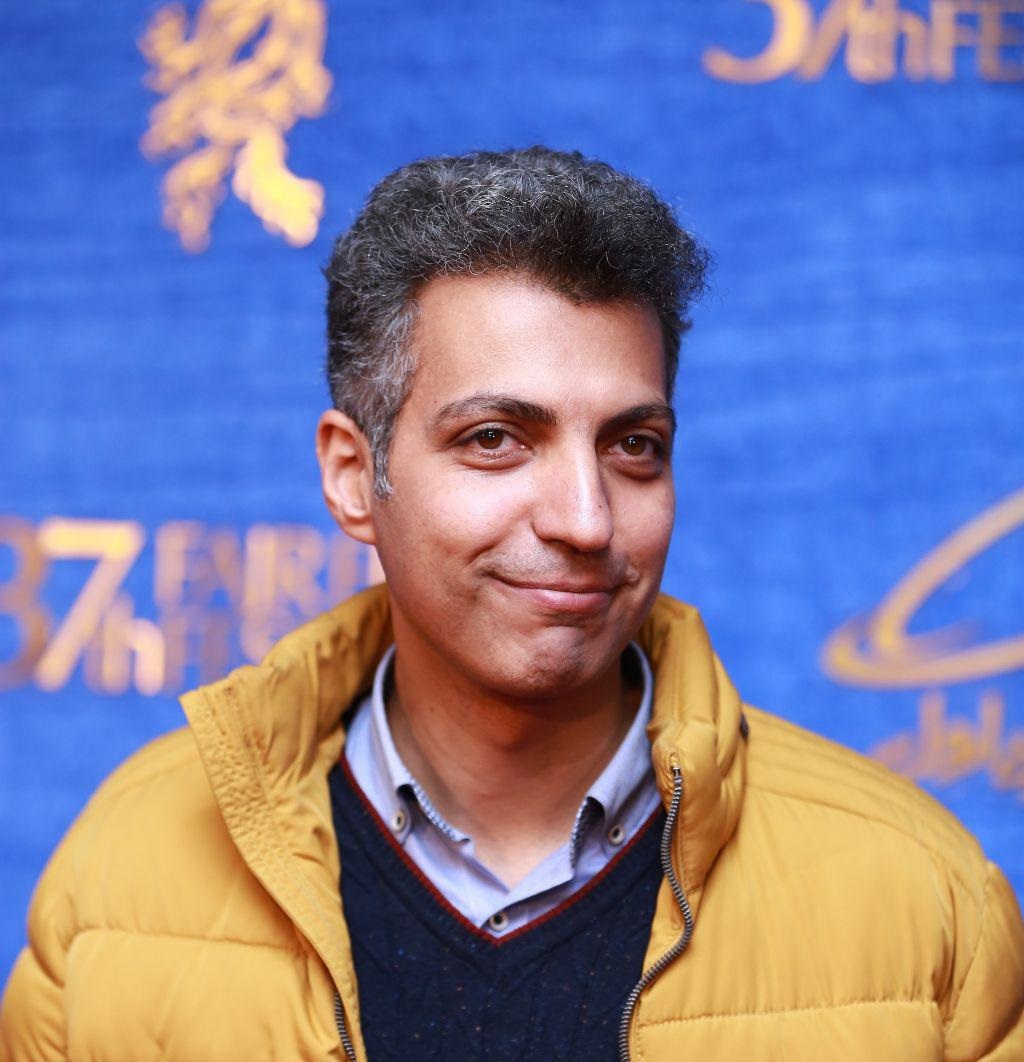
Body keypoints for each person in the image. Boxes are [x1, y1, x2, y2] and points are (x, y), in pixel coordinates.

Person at [2, 147, 1022, 1062]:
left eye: (634, 446)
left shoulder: (917, 895)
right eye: (495, 439)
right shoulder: (124, 874)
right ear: (353, 476)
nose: (585, 517)